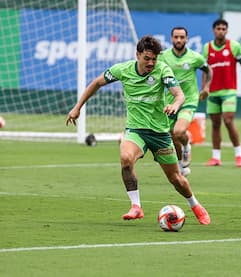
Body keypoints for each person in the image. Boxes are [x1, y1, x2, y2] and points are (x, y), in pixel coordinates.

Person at [66, 35, 211, 225]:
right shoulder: (123, 70)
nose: (151, 63)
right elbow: (96, 83)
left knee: (176, 179)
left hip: (159, 133)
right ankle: (136, 206)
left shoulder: (162, 69)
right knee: (126, 159)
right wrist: (77, 107)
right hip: (136, 130)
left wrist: (175, 105)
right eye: (147, 58)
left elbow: (179, 94)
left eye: (154, 59)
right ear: (138, 55)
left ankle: (195, 205)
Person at [159, 26, 212, 175]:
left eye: (182, 37)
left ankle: (187, 143)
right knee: (171, 136)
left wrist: (206, 87)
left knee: (179, 131)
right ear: (171, 38)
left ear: (186, 39)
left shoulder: (195, 57)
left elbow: (209, 70)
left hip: (189, 100)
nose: (179, 40)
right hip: (170, 101)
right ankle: (182, 164)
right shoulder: (163, 57)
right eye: (176, 37)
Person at [201, 18, 241, 167]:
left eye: (224, 29)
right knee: (215, 124)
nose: (221, 31)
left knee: (228, 121)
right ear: (214, 30)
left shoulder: (234, 46)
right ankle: (216, 157)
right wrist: (204, 88)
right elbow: (205, 70)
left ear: (227, 31)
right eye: (218, 28)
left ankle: (239, 155)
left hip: (229, 90)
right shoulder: (207, 48)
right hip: (213, 92)